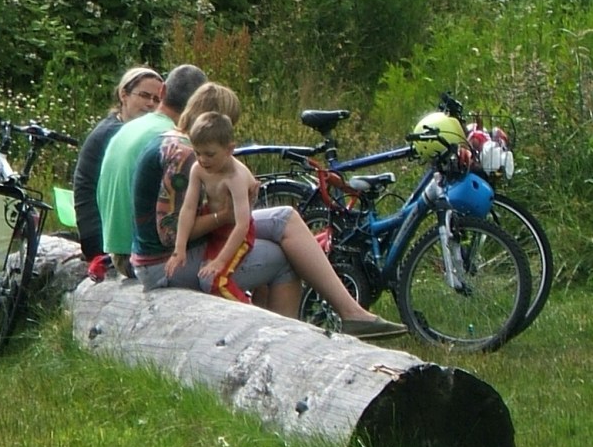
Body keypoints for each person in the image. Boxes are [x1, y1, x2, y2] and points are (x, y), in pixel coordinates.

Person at [131, 83, 408, 340]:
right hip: (161, 265)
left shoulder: (180, 141)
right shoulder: (186, 155)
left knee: (285, 217)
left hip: (182, 248)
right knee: (282, 259)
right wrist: (225, 217)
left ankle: (352, 313)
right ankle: (283, 343)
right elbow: (169, 234)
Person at [96, 64, 207, 278]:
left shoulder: (130, 127)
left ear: (162, 91)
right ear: (201, 105)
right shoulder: (174, 140)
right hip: (140, 257)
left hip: (115, 251)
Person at [73, 66, 163, 263]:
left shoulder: (120, 126)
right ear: (124, 95)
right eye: (144, 96)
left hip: (105, 231)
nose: (150, 104)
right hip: (101, 237)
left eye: (156, 100)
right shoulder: (116, 133)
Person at [168, 111, 257, 303]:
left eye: (209, 154)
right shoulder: (198, 169)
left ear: (229, 149)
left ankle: (247, 310)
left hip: (237, 232)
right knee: (205, 277)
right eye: (197, 153)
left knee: (216, 280)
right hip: (216, 229)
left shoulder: (236, 177)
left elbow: (243, 224)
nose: (202, 160)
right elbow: (189, 208)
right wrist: (180, 248)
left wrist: (220, 261)